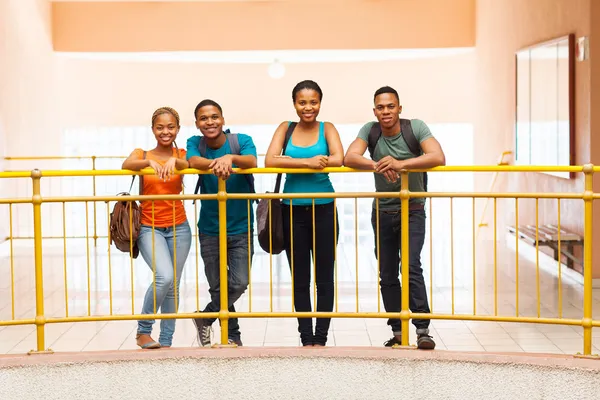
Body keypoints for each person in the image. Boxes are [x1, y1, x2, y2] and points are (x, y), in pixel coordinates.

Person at [343, 86, 446, 350]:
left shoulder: (416, 127)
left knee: (411, 266)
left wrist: (400, 164)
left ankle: (422, 329)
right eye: (380, 107)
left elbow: (438, 157)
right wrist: (379, 164)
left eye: (391, 106)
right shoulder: (370, 130)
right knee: (387, 273)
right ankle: (398, 331)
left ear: (400, 108)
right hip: (383, 210)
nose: (385, 111)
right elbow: (350, 157)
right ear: (374, 110)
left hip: (412, 209)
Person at [264, 80, 344, 347]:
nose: (308, 107)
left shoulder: (327, 128)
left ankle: (320, 338)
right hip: (292, 210)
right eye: (302, 102)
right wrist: (309, 162)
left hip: (323, 209)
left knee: (324, 277)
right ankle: (305, 337)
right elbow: (270, 160)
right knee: (300, 277)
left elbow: (338, 158)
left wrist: (289, 162)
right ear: (294, 103)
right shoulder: (285, 129)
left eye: (313, 102)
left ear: (320, 102)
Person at [187, 99, 257, 347]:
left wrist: (230, 156)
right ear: (197, 123)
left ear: (223, 119)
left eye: (214, 117)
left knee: (238, 283)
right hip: (210, 229)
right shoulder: (195, 143)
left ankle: (206, 316)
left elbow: (251, 161)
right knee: (218, 287)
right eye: (204, 118)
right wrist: (219, 163)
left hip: (241, 227)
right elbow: (193, 162)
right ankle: (233, 335)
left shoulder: (241, 140)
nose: (210, 122)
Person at [122, 106, 192, 349]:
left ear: (178, 129)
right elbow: (126, 164)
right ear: (153, 129)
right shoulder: (142, 153)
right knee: (164, 277)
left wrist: (175, 160)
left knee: (173, 285)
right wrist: (149, 162)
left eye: (171, 127)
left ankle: (165, 342)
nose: (166, 131)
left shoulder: (182, 153)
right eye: (160, 127)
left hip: (180, 227)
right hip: (149, 226)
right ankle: (143, 330)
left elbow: (192, 162)